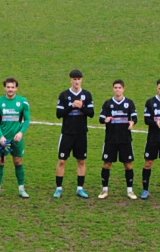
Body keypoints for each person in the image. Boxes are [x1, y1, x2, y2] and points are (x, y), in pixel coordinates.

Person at [53, 70, 94, 198]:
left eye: (78, 79)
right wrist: (72, 106)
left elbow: (91, 113)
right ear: (70, 80)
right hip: (67, 133)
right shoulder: (64, 95)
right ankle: (59, 188)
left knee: (81, 161)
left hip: (81, 133)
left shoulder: (87, 95)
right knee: (61, 161)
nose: (76, 81)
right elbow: (59, 114)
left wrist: (81, 107)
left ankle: (80, 188)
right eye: (74, 79)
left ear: (82, 80)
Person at [0, 78, 31, 198]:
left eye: (12, 87)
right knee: (0, 161)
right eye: (8, 87)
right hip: (3, 140)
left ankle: (21, 189)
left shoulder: (23, 102)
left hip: (17, 139)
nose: (10, 89)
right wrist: (1, 136)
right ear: (5, 88)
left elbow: (27, 119)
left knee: (18, 161)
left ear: (16, 88)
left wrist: (21, 133)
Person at [99, 79, 138, 198]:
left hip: (125, 139)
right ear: (113, 89)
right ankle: (104, 190)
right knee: (107, 164)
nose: (117, 90)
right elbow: (101, 118)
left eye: (119, 88)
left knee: (128, 165)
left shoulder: (129, 103)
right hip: (110, 139)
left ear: (123, 89)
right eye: (115, 88)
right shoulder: (107, 103)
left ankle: (130, 190)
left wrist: (132, 123)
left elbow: (135, 117)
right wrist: (105, 120)